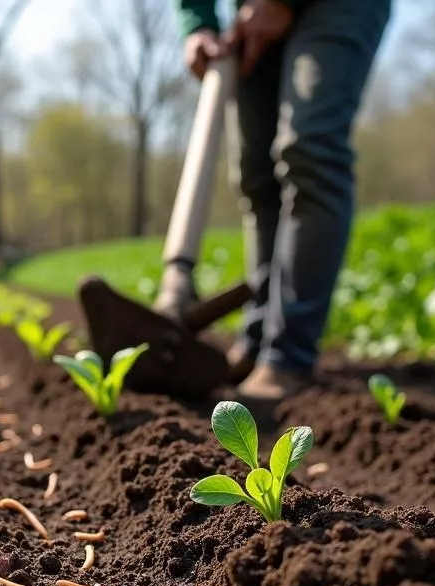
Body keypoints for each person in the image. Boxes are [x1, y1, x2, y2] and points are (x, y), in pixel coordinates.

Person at [155, 0, 391, 403]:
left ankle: (288, 354)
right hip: (251, 17)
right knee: (255, 175)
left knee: (309, 149)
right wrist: (198, 24)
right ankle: (258, 339)